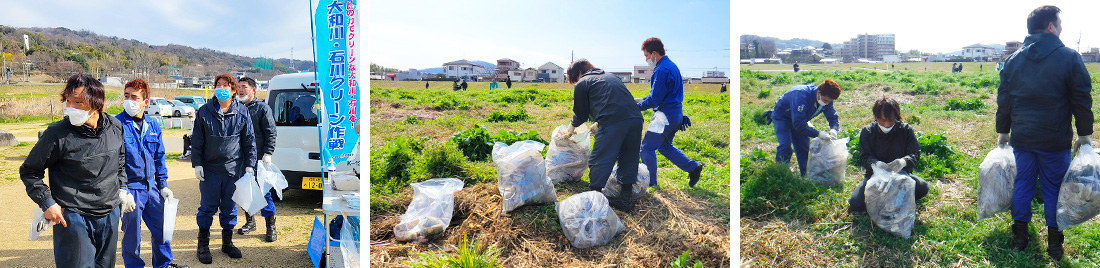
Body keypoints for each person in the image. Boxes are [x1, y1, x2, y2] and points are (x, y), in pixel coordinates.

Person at [996, 5, 1093, 259]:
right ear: (1051, 26)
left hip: (1023, 139)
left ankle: (1020, 238)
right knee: (1054, 189)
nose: (1061, 29)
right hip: (1055, 140)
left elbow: (1004, 100)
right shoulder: (1070, 57)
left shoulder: (1012, 61)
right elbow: (1081, 99)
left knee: (1023, 185)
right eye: (1059, 24)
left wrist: (1003, 131)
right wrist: (1084, 134)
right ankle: (1054, 245)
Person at [21, 73, 135, 267]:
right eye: (68, 101)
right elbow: (30, 171)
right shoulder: (57, 134)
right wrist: (47, 203)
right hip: (74, 216)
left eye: (78, 102)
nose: (71, 108)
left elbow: (120, 160)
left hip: (109, 213)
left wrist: (122, 189)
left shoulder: (115, 127)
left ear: (97, 103)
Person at [116, 79, 189, 268]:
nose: (129, 100)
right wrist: (122, 189)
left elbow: (159, 157)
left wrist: (163, 185)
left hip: (151, 186)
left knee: (162, 229)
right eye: (126, 96)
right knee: (132, 234)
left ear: (145, 102)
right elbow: (114, 160)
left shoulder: (153, 125)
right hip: (131, 187)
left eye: (134, 97)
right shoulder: (116, 124)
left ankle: (164, 264)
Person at [191, 74, 257, 264]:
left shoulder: (242, 112)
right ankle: (202, 244)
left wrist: (250, 165)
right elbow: (197, 142)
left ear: (233, 90)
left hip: (233, 169)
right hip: (210, 170)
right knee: (207, 208)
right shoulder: (204, 111)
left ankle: (227, 243)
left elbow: (249, 141)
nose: (221, 88)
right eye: (218, 85)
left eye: (225, 86)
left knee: (229, 208)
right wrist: (197, 164)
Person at [566, 59, 643, 211]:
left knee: (599, 158)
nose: (576, 82)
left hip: (613, 120)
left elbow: (581, 114)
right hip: (635, 119)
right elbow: (613, 102)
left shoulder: (583, 82)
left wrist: (572, 125)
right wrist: (598, 122)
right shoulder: (612, 77)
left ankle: (595, 200)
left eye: (575, 79)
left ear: (579, 73)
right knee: (628, 157)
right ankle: (625, 199)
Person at [637, 37, 704, 188]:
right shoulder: (672, 66)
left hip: (663, 117)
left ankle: (650, 183)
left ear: (654, 53)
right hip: (676, 114)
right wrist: (638, 100)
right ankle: (693, 167)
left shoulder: (660, 70)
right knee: (664, 146)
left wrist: (636, 107)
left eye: (647, 56)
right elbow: (662, 94)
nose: (647, 59)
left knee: (646, 148)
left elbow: (654, 99)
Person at [847, 96, 929, 213]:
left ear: (896, 116)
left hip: (900, 176)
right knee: (856, 203)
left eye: (890, 120)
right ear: (876, 117)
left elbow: (915, 152)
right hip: (875, 177)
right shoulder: (868, 132)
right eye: (882, 120)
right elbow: (864, 156)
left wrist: (903, 162)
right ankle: (889, 199)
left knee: (922, 187)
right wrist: (876, 164)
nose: (886, 124)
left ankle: (890, 198)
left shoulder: (906, 130)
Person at [764, 79, 842, 176]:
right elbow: (798, 124)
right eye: (826, 100)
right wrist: (818, 134)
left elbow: (832, 116)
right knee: (785, 145)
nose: (827, 103)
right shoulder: (801, 95)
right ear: (818, 93)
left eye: (829, 101)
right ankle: (780, 175)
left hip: (800, 119)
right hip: (782, 117)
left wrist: (834, 129)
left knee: (804, 148)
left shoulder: (826, 99)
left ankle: (805, 175)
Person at [234, 77, 279, 242]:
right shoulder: (235, 108)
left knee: (264, 192)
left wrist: (268, 152)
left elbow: (271, 132)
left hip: (259, 159)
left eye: (244, 87)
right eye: (238, 87)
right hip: (240, 159)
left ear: (253, 89)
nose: (240, 90)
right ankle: (250, 222)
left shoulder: (262, 108)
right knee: (245, 192)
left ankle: (270, 226)